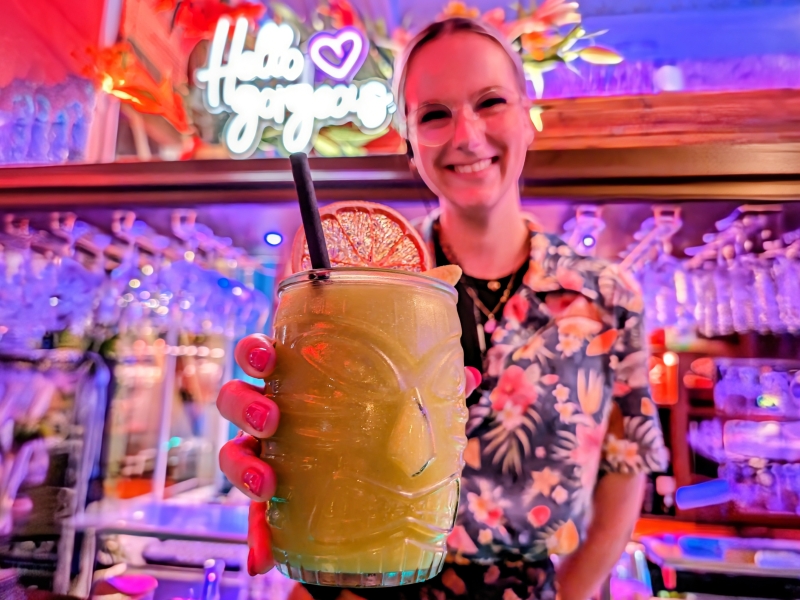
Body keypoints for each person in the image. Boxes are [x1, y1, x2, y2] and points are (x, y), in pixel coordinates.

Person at [216, 17, 667, 600]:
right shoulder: (360, 284)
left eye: (491, 102)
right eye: (434, 114)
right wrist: (273, 435)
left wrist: (571, 594)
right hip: (354, 579)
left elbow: (626, 467)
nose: (467, 135)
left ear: (528, 117)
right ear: (409, 142)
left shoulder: (606, 297)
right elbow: (305, 421)